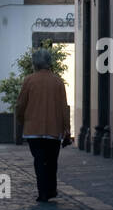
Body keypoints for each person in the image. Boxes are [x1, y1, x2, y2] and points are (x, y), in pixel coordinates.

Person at [15, 48, 71, 202]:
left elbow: (21, 104)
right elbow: (63, 107)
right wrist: (67, 128)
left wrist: (21, 119)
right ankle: (51, 189)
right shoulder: (58, 81)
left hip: (34, 129)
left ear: (35, 63)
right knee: (52, 161)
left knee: (39, 160)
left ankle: (43, 192)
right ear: (49, 63)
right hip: (53, 129)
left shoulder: (29, 80)